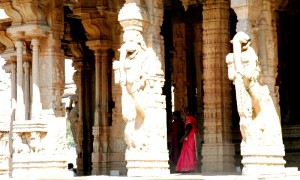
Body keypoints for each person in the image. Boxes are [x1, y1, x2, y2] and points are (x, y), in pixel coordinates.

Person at [176, 107, 199, 173]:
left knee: (190, 152)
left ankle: (191, 167)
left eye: (186, 111)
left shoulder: (190, 119)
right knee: (190, 152)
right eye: (184, 111)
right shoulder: (193, 118)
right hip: (192, 136)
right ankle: (189, 167)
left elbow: (189, 128)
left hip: (190, 137)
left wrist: (183, 137)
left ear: (190, 111)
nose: (185, 112)